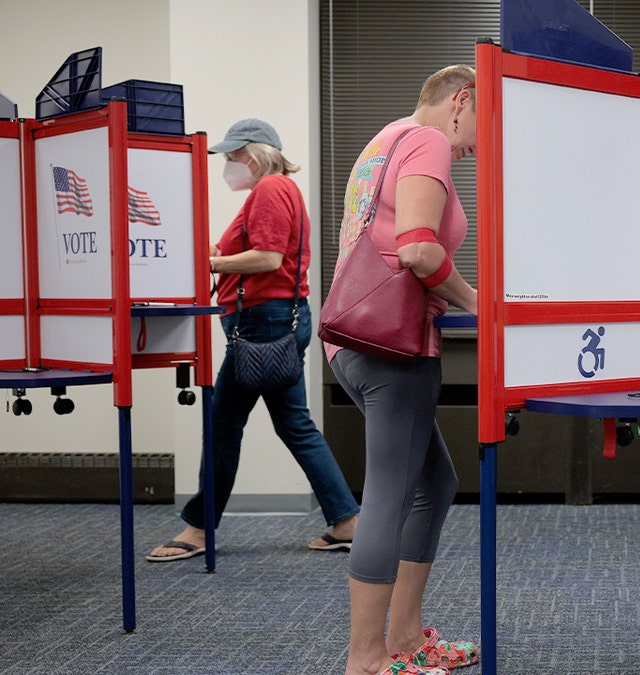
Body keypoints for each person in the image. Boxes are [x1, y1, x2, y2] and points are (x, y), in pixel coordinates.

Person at [147, 119, 359, 562]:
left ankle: (199, 529)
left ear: (258, 153)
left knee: (223, 427)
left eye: (233, 155)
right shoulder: (278, 191)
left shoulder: (269, 191)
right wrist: (215, 256)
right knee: (294, 424)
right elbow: (259, 254)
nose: (228, 165)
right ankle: (346, 521)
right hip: (276, 321)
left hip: (263, 324)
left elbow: (267, 258)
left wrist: (211, 266)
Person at [326, 65, 480, 675]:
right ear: (460, 100)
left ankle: (407, 638)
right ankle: (367, 658)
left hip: (354, 343)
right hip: (391, 348)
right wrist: (479, 301)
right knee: (390, 494)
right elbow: (417, 247)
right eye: (481, 129)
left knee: (433, 484)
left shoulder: (383, 139)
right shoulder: (431, 140)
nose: (473, 149)